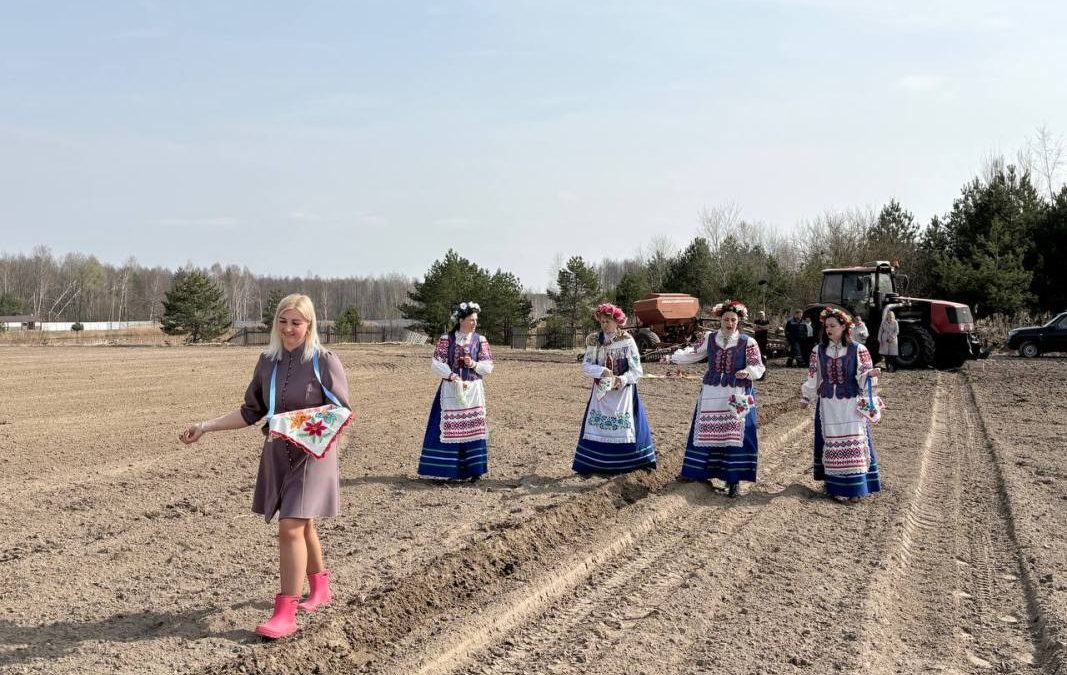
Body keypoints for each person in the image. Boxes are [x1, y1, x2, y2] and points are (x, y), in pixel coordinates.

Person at [180, 293, 351, 639]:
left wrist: (297, 427)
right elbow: (250, 411)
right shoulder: (267, 362)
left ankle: (285, 612)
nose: (289, 329)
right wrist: (206, 426)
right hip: (278, 454)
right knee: (302, 524)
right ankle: (320, 589)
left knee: (290, 526)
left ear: (309, 325)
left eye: (296, 323)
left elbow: (341, 411)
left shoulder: (324, 360)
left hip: (313, 456)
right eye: (283, 321)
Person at [667, 300, 765, 498]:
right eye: (726, 319)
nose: (729, 323)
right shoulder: (710, 338)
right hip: (712, 392)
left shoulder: (748, 342)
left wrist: (748, 372)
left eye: (733, 320)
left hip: (738, 391)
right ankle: (696, 472)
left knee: (736, 434)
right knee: (705, 431)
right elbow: (693, 353)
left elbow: (759, 367)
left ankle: (733, 480)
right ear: (719, 320)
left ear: (739, 321)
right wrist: (673, 357)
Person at [800, 306, 882, 503]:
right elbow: (813, 376)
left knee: (854, 439)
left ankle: (857, 488)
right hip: (828, 403)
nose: (828, 329)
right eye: (826, 326)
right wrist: (806, 396)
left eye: (832, 325)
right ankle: (835, 487)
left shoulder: (858, 349)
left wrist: (869, 375)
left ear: (844, 326)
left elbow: (862, 375)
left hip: (850, 403)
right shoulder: (818, 350)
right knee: (833, 441)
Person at [572, 303, 657, 475]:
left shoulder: (627, 340)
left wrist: (622, 379)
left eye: (607, 322)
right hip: (601, 392)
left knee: (626, 426)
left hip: (623, 393)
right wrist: (601, 371)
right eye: (602, 322)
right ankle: (592, 464)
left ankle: (633, 463)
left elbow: (637, 370)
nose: (604, 326)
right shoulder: (594, 340)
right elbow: (586, 365)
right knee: (597, 425)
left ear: (617, 321)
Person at [418, 302, 494, 481]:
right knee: (446, 429)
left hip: (473, 390)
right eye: (471, 320)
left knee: (472, 428)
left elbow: (489, 366)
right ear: (461, 320)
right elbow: (436, 363)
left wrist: (473, 364)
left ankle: (474, 470)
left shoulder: (480, 340)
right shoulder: (447, 339)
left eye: (476, 320)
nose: (474, 323)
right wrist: (451, 376)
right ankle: (446, 470)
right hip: (451, 389)